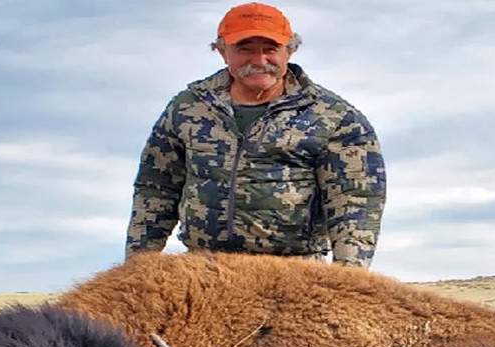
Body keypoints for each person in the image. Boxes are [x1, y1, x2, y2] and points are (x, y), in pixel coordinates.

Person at [125, 2, 386, 268]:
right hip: (204, 268)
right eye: (245, 49)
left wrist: (347, 279)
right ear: (222, 51)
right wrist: (136, 266)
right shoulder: (188, 107)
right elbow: (156, 187)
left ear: (290, 50)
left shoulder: (334, 117)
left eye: (270, 49)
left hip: (296, 273)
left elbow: (356, 199)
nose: (259, 61)